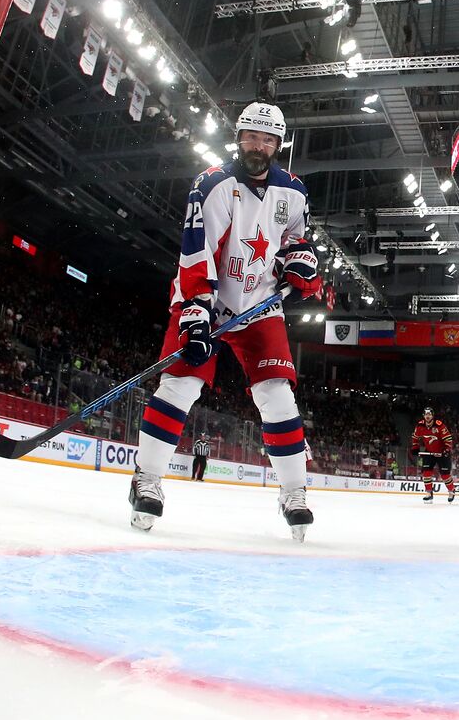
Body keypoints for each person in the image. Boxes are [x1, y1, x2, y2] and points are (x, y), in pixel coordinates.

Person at [127, 102, 324, 540]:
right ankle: (147, 478)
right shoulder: (213, 184)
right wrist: (197, 312)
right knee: (181, 384)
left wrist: (300, 260)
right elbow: (196, 249)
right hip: (208, 299)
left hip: (259, 302)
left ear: (278, 144)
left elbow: (295, 238)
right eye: (253, 137)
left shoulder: (294, 191)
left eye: (269, 139)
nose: (260, 146)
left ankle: (294, 492)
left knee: (277, 395)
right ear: (239, 138)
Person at [410, 406, 457, 503]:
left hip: (442, 452)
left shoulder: (439, 425)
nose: (427, 416)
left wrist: (447, 450)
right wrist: (415, 447)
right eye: (426, 414)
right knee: (426, 473)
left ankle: (451, 490)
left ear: (433, 416)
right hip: (429, 452)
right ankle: (429, 492)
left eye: (429, 414)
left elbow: (448, 439)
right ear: (423, 415)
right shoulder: (420, 426)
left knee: (445, 475)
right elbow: (415, 437)